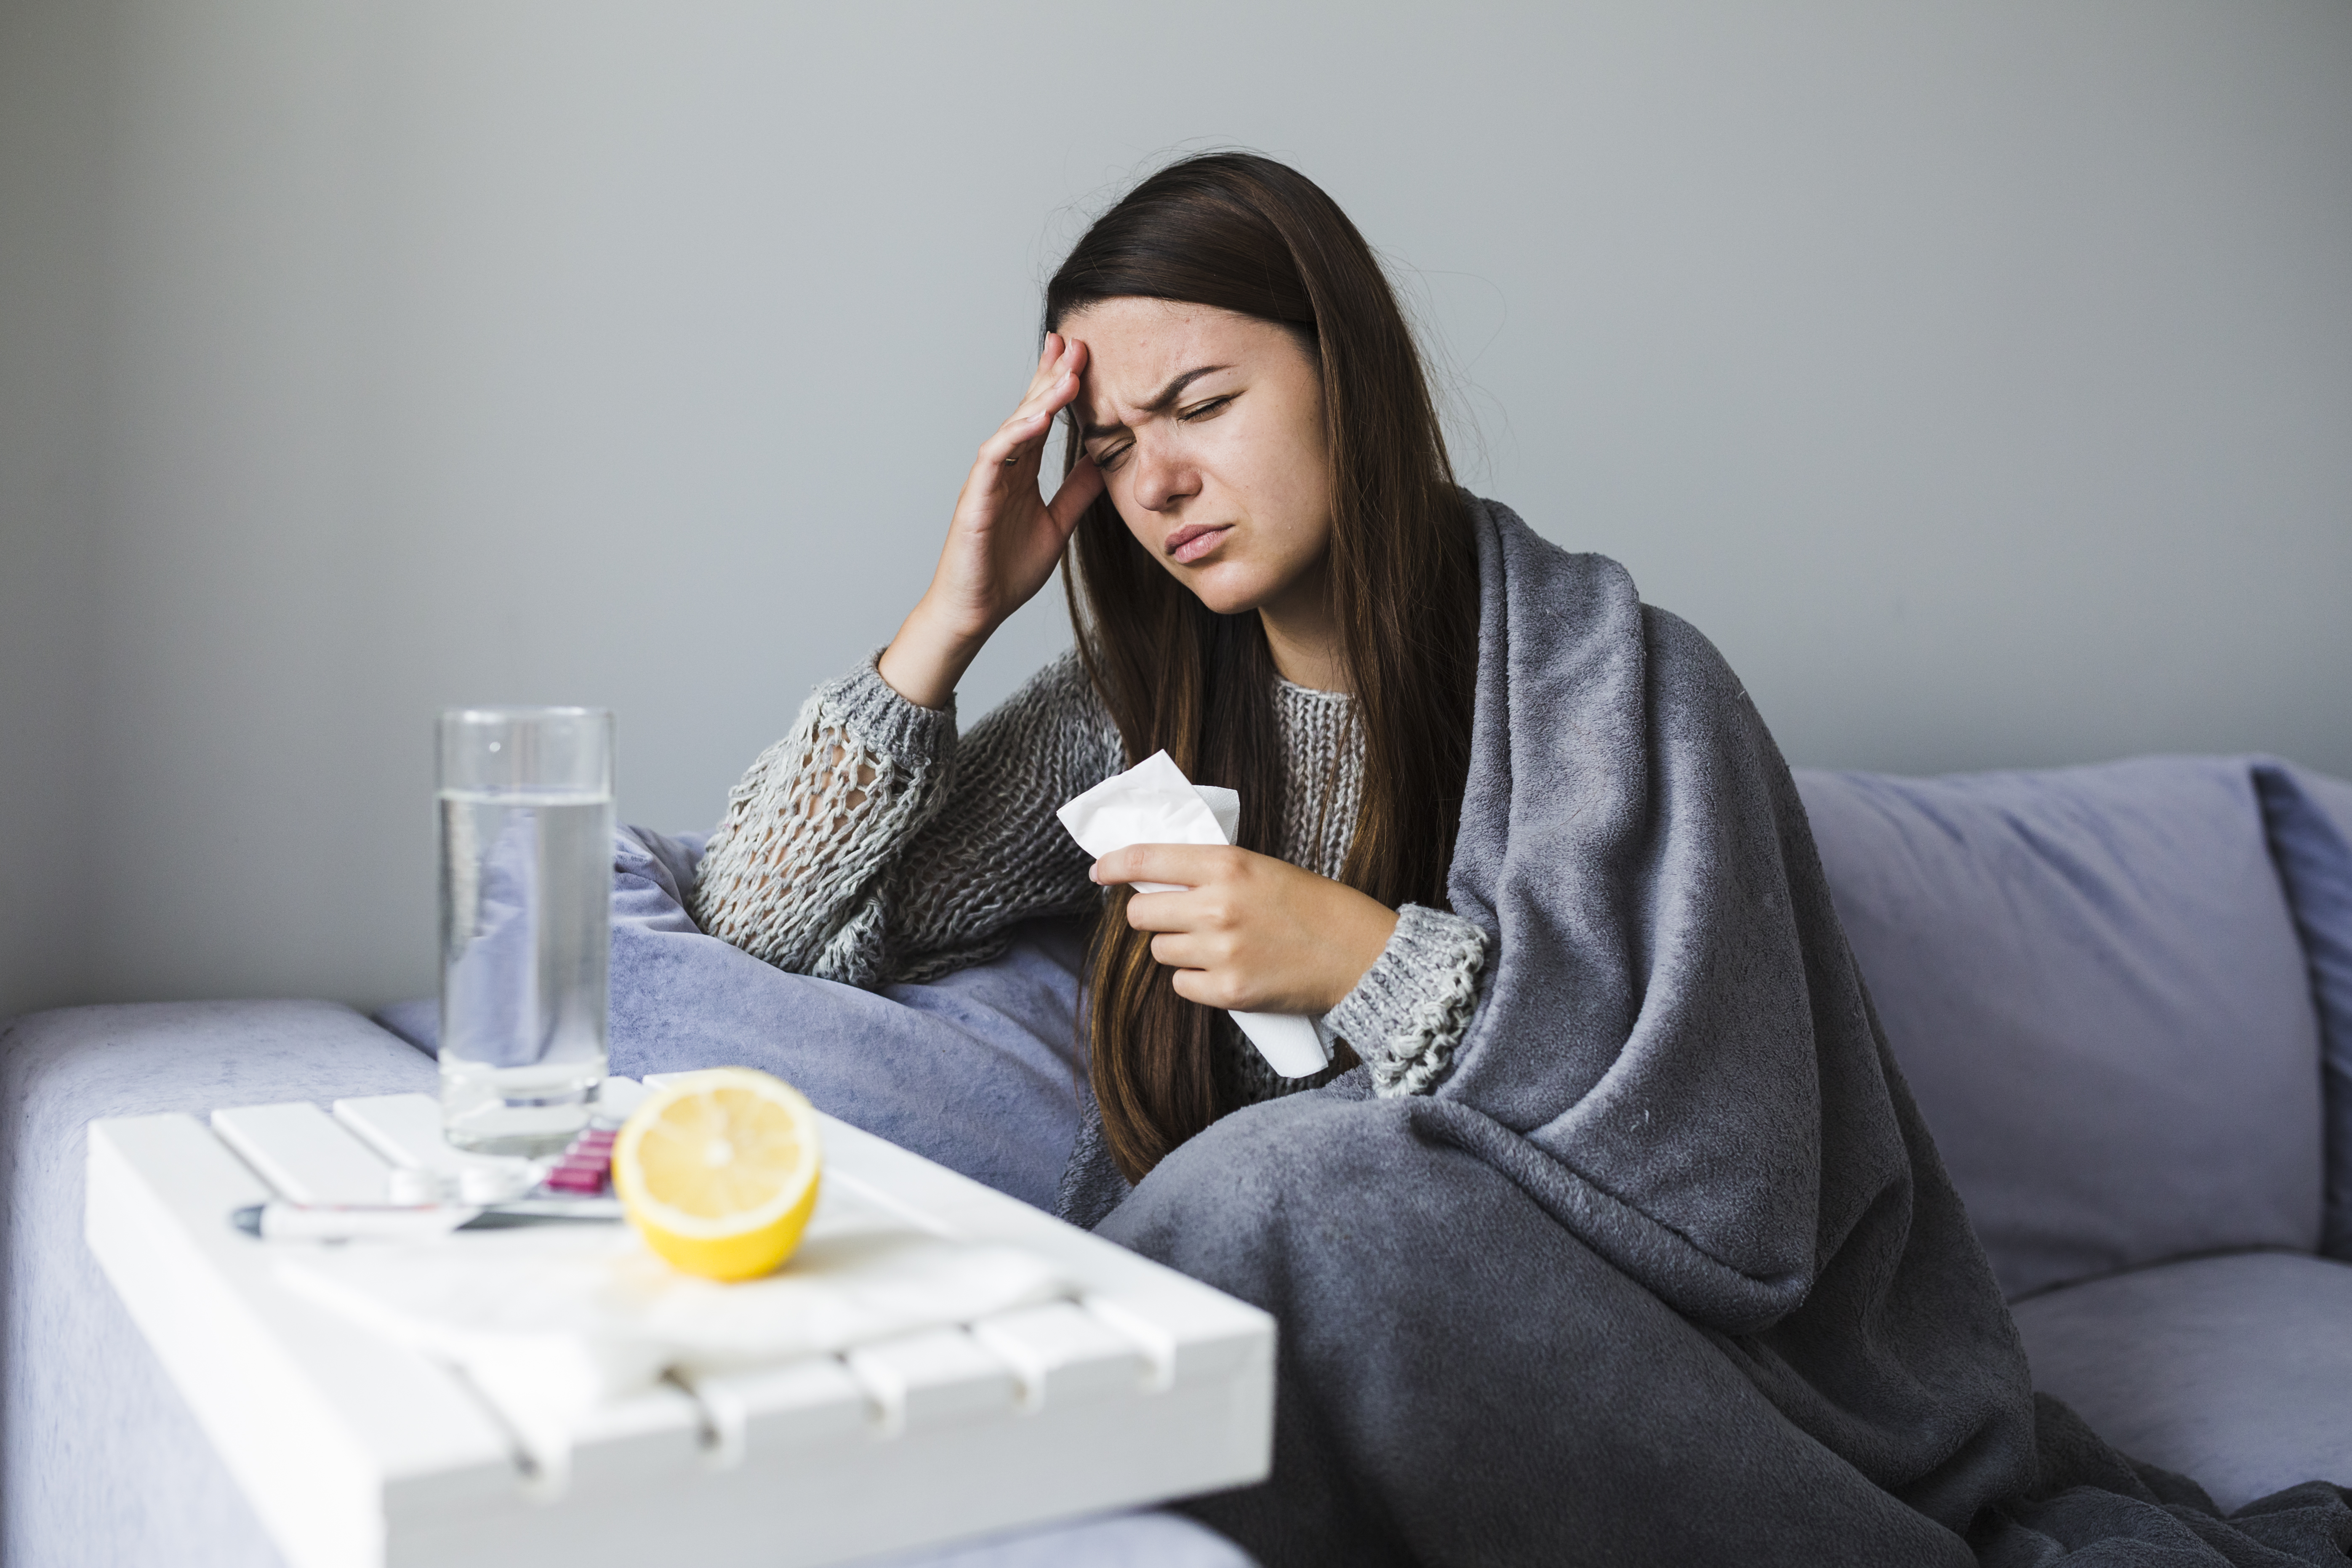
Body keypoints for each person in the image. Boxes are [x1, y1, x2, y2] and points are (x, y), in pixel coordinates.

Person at [690, 154, 2352, 1565]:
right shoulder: (1133, 716)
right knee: (1302, 1202)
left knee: (1309, 1189)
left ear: (1345, 367)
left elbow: (1732, 1180)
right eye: (1112, 446)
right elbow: (753, 922)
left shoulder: (1619, 686)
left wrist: (1358, 959)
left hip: (1752, 1405)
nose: (1160, 481)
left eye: (1200, 404)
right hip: (1357, 1395)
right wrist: (950, 615)